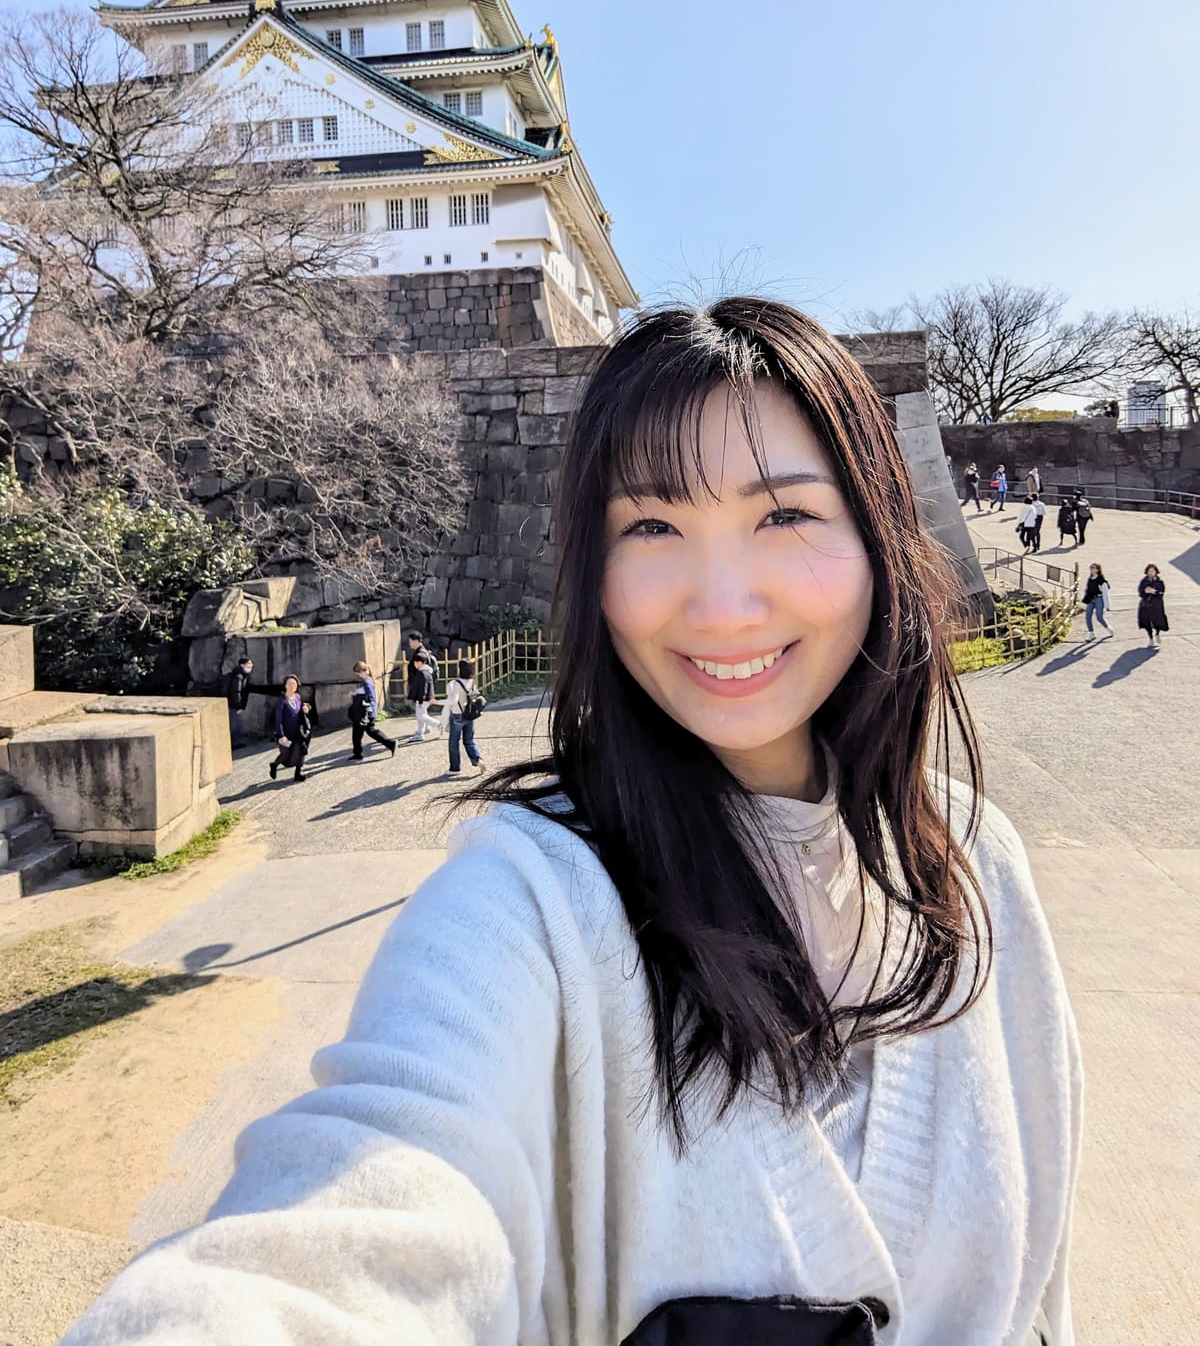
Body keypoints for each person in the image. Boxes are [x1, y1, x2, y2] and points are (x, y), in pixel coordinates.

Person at [64, 300, 1078, 1346]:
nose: (722, 606)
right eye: (652, 527)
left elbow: (1049, 1289)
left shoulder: (974, 864)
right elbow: (358, 1212)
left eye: (784, 516)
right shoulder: (530, 904)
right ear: (593, 571)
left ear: (878, 535)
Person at [443, 657, 487, 777]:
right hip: (470, 714)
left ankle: (455, 768)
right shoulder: (472, 681)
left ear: (460, 669)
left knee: (453, 742)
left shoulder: (457, 683)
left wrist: (439, 702)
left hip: (457, 715)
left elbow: (454, 700)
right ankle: (478, 760)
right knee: (469, 741)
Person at [348, 660, 397, 761]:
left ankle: (390, 743)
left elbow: (369, 697)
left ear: (363, 671)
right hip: (366, 712)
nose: (358, 675)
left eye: (358, 673)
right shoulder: (368, 680)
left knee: (368, 731)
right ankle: (357, 753)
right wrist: (356, 694)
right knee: (359, 732)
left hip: (365, 713)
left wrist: (367, 709)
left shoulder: (366, 682)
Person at [268, 674, 311, 784]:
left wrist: (307, 708)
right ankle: (274, 765)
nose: (292, 686)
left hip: (298, 731)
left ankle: (298, 773)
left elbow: (302, 707)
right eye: (290, 684)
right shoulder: (281, 701)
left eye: (294, 684)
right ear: (285, 686)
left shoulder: (298, 697)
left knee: (301, 751)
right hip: (287, 733)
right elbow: (279, 720)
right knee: (286, 754)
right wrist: (281, 735)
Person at [406, 630, 442, 740]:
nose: (410, 644)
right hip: (423, 688)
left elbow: (422, 682)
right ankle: (423, 730)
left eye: (411, 641)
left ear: (416, 641)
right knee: (421, 711)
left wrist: (420, 697)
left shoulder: (420, 654)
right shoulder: (422, 652)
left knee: (420, 712)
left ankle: (436, 725)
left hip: (421, 688)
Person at [224, 656, 254, 749]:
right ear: (242, 665)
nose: (250, 667)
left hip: (235, 704)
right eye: (248, 665)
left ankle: (235, 742)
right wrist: (238, 706)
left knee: (237, 724)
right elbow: (236, 692)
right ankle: (235, 743)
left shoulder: (242, 675)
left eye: (251, 665)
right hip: (234, 705)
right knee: (236, 724)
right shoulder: (238, 676)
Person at [406, 654, 436, 743]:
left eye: (415, 662)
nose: (414, 664)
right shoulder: (428, 672)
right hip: (427, 697)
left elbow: (423, 688)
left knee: (421, 716)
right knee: (422, 714)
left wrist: (420, 700)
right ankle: (422, 731)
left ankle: (439, 725)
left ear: (419, 662)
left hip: (422, 698)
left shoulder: (421, 673)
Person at [1137, 563, 1169, 646]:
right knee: (1146, 622)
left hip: (1156, 604)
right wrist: (1145, 591)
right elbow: (1140, 592)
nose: (1151, 572)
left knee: (1158, 620)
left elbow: (1162, 592)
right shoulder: (1144, 581)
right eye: (1149, 571)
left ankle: (1157, 633)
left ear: (1156, 572)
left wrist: (1154, 592)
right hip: (1146, 604)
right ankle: (1150, 638)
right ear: (1147, 572)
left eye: (1153, 571)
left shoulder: (1159, 581)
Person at [1081, 563, 1111, 637]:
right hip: (1091, 599)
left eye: (1093, 568)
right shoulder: (1090, 579)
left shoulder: (1102, 581)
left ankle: (1108, 628)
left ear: (1098, 570)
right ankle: (1091, 633)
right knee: (1088, 616)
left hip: (1099, 599)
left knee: (1099, 617)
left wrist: (1107, 605)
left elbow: (1105, 593)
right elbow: (1088, 589)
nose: (1091, 569)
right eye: (1090, 568)